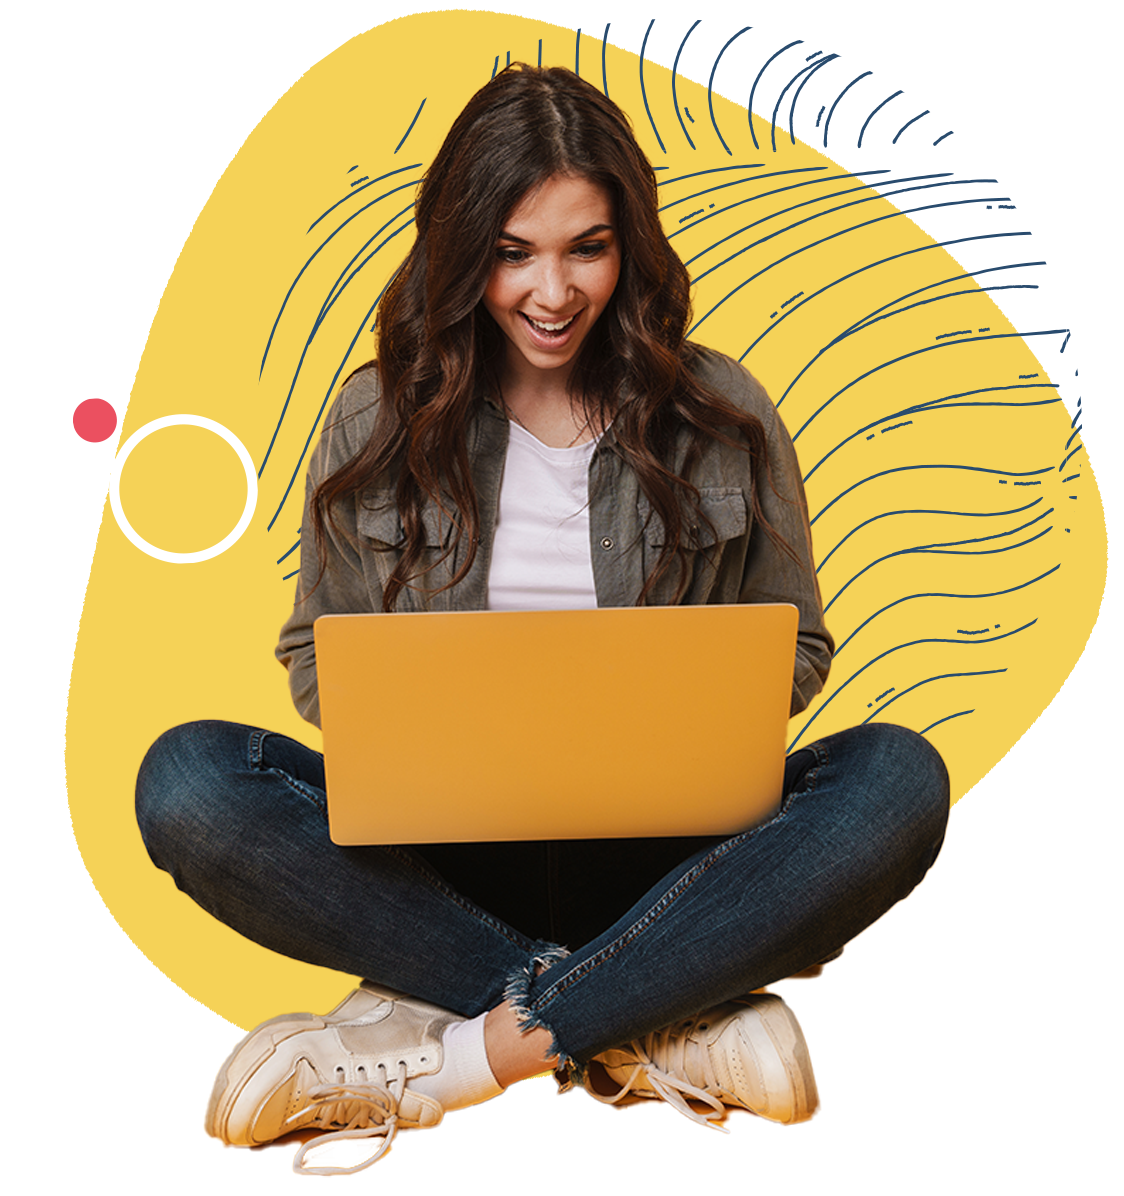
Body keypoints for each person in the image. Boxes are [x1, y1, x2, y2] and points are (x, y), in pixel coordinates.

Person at [135, 64, 950, 1177]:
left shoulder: (723, 413)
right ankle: (656, 1010)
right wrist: (431, 727)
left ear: (632, 248)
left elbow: (796, 644)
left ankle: (459, 1048)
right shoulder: (380, 414)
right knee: (187, 780)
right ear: (461, 250)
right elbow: (312, 653)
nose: (552, 290)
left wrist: (670, 709)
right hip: (442, 865)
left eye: (587, 247)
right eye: (514, 251)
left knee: (898, 777)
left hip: (669, 864)